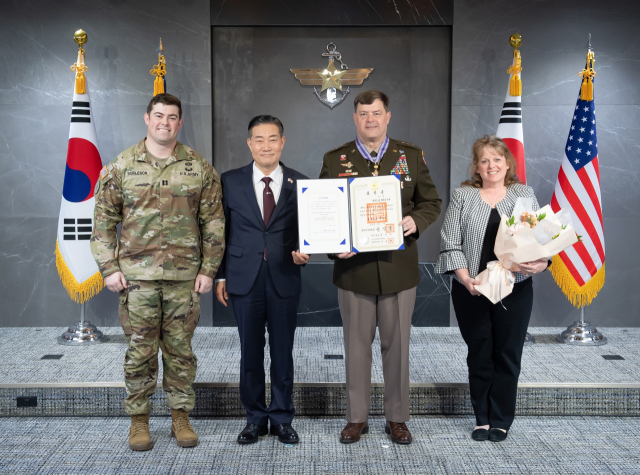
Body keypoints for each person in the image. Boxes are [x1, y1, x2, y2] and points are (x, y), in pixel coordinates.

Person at [91, 93, 225, 451]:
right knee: (140, 350)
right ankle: (139, 420)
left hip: (184, 277)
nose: (165, 122)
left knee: (180, 350)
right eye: (159, 116)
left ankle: (181, 416)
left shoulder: (198, 167)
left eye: (172, 117)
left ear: (180, 123)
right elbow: (103, 221)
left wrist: (209, 269)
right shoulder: (121, 166)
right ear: (147, 119)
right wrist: (108, 268)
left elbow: (213, 221)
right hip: (137, 278)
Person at [319, 90, 441, 445]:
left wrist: (414, 220)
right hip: (353, 270)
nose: (370, 119)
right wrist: (333, 246)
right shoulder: (335, 158)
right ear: (354, 118)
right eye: (363, 114)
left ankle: (397, 417)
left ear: (388, 116)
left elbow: (431, 201)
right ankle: (356, 418)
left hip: (398, 269)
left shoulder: (411, 156)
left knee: (397, 346)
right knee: (356, 347)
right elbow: (323, 211)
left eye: (376, 113)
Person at [435, 135, 548, 442]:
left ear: (507, 163)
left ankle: (501, 418)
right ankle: (481, 418)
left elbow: (541, 240)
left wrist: (540, 263)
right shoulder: (463, 196)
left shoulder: (524, 194)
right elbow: (449, 240)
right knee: (480, 353)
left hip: (516, 288)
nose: (491, 165)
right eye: (484, 160)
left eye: (497, 159)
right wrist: (463, 277)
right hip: (472, 288)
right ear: (477, 167)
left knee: (508, 353)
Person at [214, 115, 309, 445]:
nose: (266, 145)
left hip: (284, 275)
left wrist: (304, 249)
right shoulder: (230, 181)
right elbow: (220, 231)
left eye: (272, 139)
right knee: (250, 352)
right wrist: (220, 275)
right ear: (249, 144)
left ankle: (282, 418)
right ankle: (254, 418)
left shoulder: (300, 183)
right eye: (259, 139)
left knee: (283, 352)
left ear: (283, 142)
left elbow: (305, 230)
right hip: (243, 279)